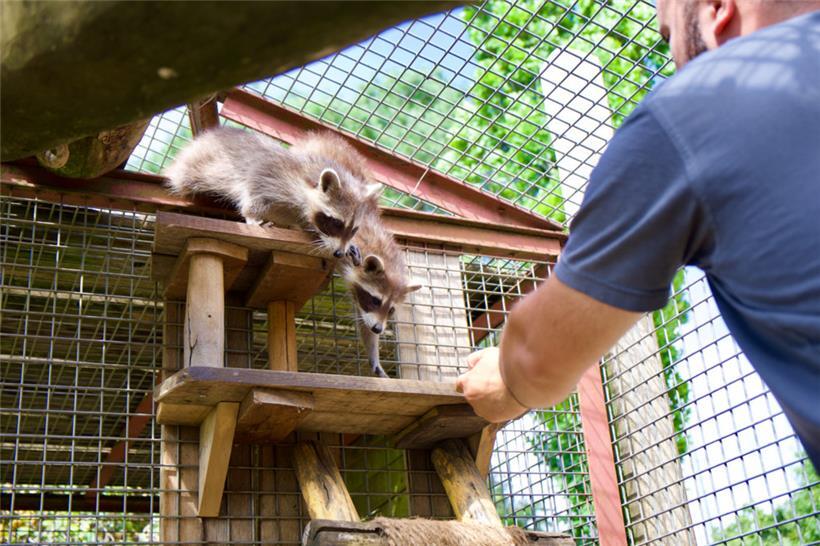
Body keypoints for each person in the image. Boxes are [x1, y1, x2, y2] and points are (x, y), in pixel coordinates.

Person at [455, 0, 820, 467]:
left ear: (717, 10)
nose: (673, 61)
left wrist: (505, 381)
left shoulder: (699, 104)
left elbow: (537, 358)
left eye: (669, 37)